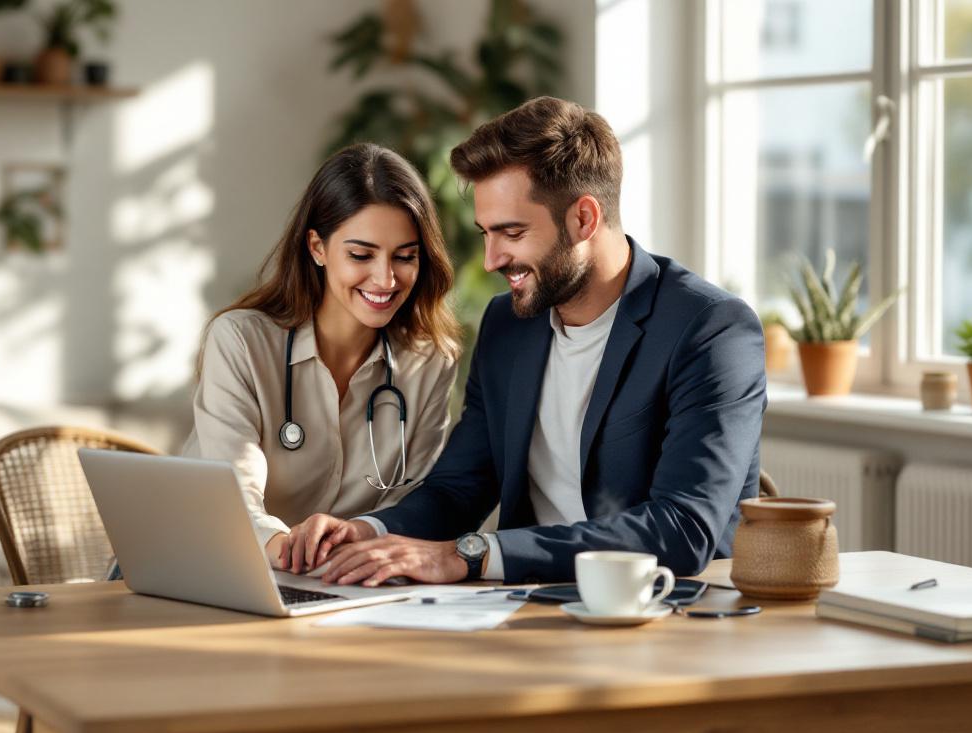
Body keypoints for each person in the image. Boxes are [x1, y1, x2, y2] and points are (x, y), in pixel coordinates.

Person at [288, 96, 767, 586]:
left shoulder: (710, 329)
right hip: (524, 607)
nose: (492, 259)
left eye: (511, 232)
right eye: (485, 233)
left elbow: (682, 529)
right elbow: (460, 488)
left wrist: (471, 555)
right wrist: (369, 533)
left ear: (584, 219)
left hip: (660, 615)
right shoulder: (509, 324)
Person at [183, 143, 461, 570]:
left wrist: (353, 551)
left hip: (328, 582)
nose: (386, 279)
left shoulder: (430, 361)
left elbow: (410, 504)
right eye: (360, 255)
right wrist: (286, 549)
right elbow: (232, 493)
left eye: (405, 257)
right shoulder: (241, 341)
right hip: (207, 564)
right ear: (317, 247)